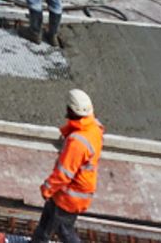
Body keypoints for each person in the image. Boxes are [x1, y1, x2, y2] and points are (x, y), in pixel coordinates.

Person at [32, 89, 103, 243]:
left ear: (70, 110)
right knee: (46, 224)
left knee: (63, 230)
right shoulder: (93, 129)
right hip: (67, 194)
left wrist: (47, 188)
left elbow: (64, 174)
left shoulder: (77, 141)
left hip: (69, 197)